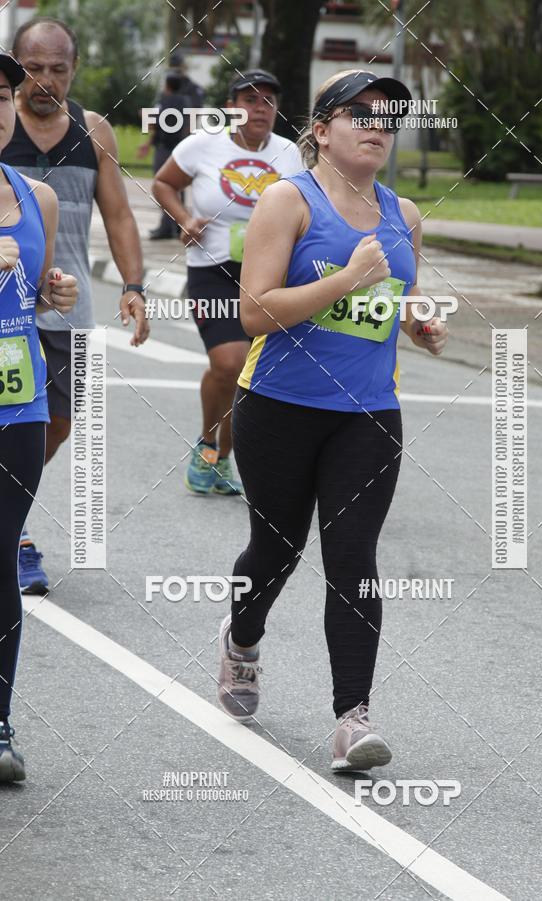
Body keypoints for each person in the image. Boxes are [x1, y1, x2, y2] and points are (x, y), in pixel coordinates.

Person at [216, 69, 449, 772]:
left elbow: (393, 299)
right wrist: (347, 279)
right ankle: (242, 636)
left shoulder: (402, 213)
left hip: (369, 415)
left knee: (353, 561)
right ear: (320, 129)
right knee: (277, 548)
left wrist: (417, 322)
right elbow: (255, 310)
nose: (377, 125)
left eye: (389, 117)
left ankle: (353, 717)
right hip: (280, 407)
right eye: (359, 113)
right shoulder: (287, 201)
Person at [4, 16, 150, 594]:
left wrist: (134, 286)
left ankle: (8, 505)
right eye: (33, 69)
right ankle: (13, 533)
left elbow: (117, 213)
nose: (45, 81)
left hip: (70, 305)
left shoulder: (94, 131)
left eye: (57, 69)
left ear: (74, 69)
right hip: (7, 308)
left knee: (58, 421)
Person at [153, 68, 303, 496]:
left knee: (254, 375)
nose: (260, 108)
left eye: (269, 101)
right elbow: (163, 183)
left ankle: (224, 458)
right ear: (231, 108)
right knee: (228, 364)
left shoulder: (290, 154)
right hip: (213, 271)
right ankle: (206, 443)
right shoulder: (203, 145)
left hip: (271, 275)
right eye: (251, 100)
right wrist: (185, 219)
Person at [0, 53, 78, 782]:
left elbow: (34, 298)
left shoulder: (35, 197)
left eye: (1, 96)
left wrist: (53, 290)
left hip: (15, 403)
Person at [138, 72, 191, 240]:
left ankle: (165, 227)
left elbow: (153, 123)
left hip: (164, 149)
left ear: (167, 85)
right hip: (181, 148)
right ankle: (179, 226)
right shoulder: (185, 102)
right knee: (179, 187)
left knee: (163, 185)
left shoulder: (163, 102)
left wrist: (143, 115)